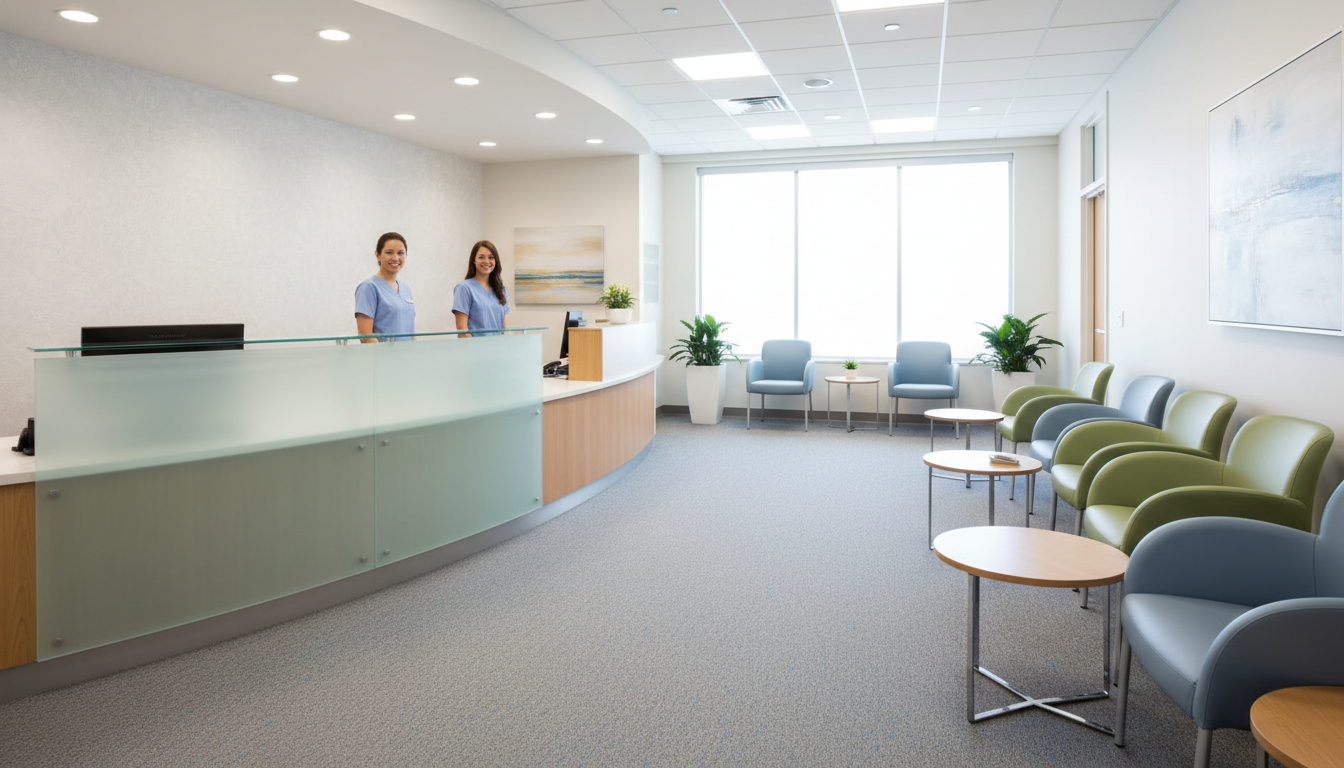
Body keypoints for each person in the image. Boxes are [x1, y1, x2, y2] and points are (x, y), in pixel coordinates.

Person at [354, 232, 415, 343]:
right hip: (383, 358)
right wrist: (385, 359)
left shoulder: (406, 289)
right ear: (378, 255)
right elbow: (365, 336)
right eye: (389, 252)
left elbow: (411, 334)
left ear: (406, 256)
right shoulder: (369, 287)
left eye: (400, 253)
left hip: (408, 357)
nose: (395, 258)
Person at [452, 240, 510, 338]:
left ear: (496, 261)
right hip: (475, 349)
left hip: (497, 348)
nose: (486, 261)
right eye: (481, 257)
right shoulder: (464, 288)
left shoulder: (502, 290)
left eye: (491, 257)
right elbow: (462, 329)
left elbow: (503, 328)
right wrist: (476, 351)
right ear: (474, 260)